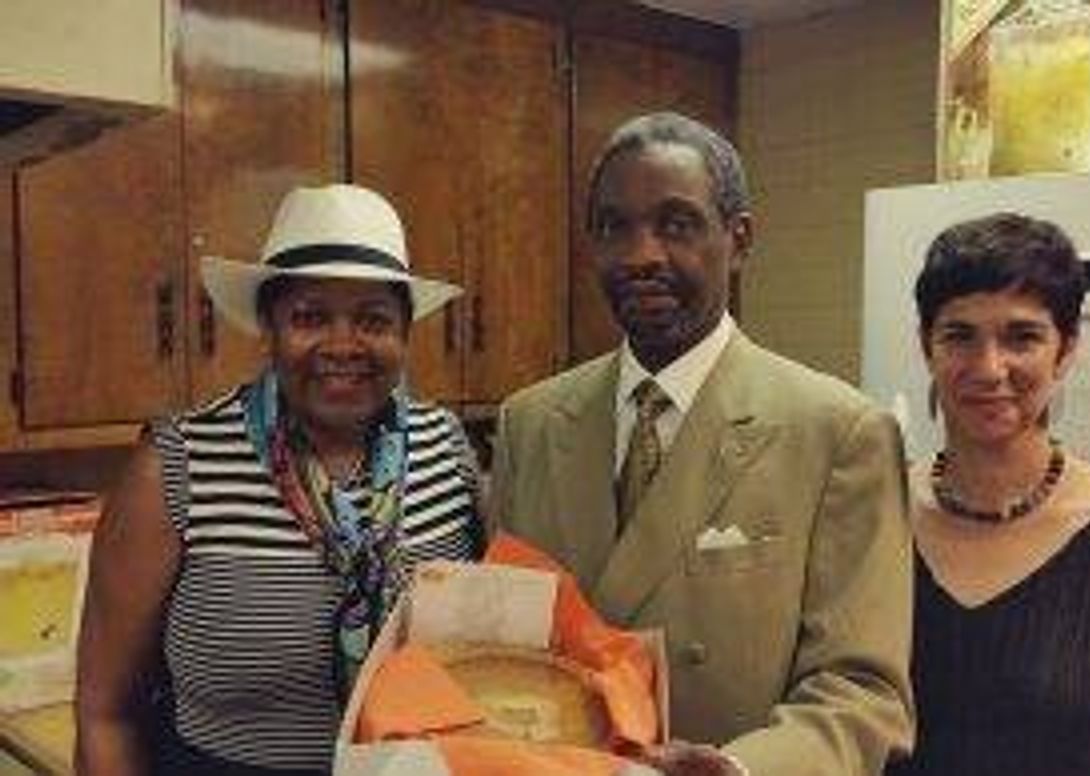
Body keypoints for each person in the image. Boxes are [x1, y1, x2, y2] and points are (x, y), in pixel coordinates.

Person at [489, 112, 915, 775]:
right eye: (613, 227)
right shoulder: (530, 423)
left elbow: (863, 691)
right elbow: (502, 650)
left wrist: (744, 771)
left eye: (677, 225)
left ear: (739, 239)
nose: (641, 256)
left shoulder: (838, 432)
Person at [76, 184, 487, 775]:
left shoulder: (448, 451)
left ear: (404, 333)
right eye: (310, 316)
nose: (343, 344)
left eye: (373, 319)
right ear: (267, 327)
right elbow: (104, 713)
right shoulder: (178, 467)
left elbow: (494, 664)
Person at [885, 212, 1090, 776]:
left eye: (1022, 336)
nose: (989, 367)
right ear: (925, 345)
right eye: (959, 335)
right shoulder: (871, 519)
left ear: (1067, 348)